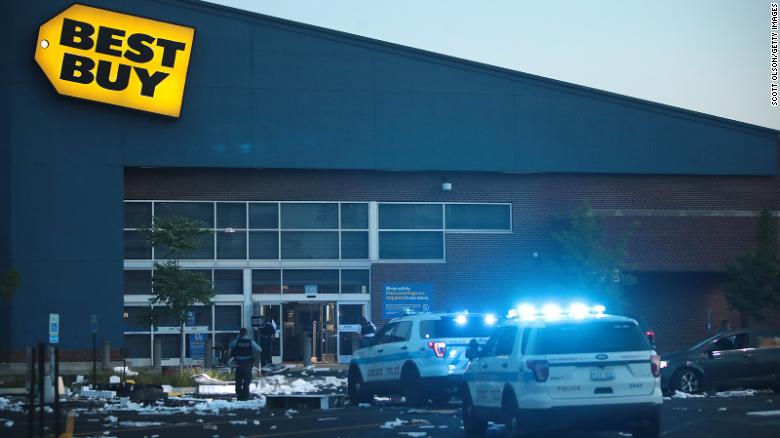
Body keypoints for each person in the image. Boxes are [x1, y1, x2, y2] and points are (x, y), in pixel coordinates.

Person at [229, 328, 261, 400]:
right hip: (248, 363)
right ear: (246, 333)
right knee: (247, 379)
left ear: (240, 334)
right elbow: (259, 349)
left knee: (238, 379)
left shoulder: (237, 341)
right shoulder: (250, 341)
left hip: (239, 363)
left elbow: (230, 345)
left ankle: (239, 394)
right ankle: (246, 394)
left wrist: (237, 339)